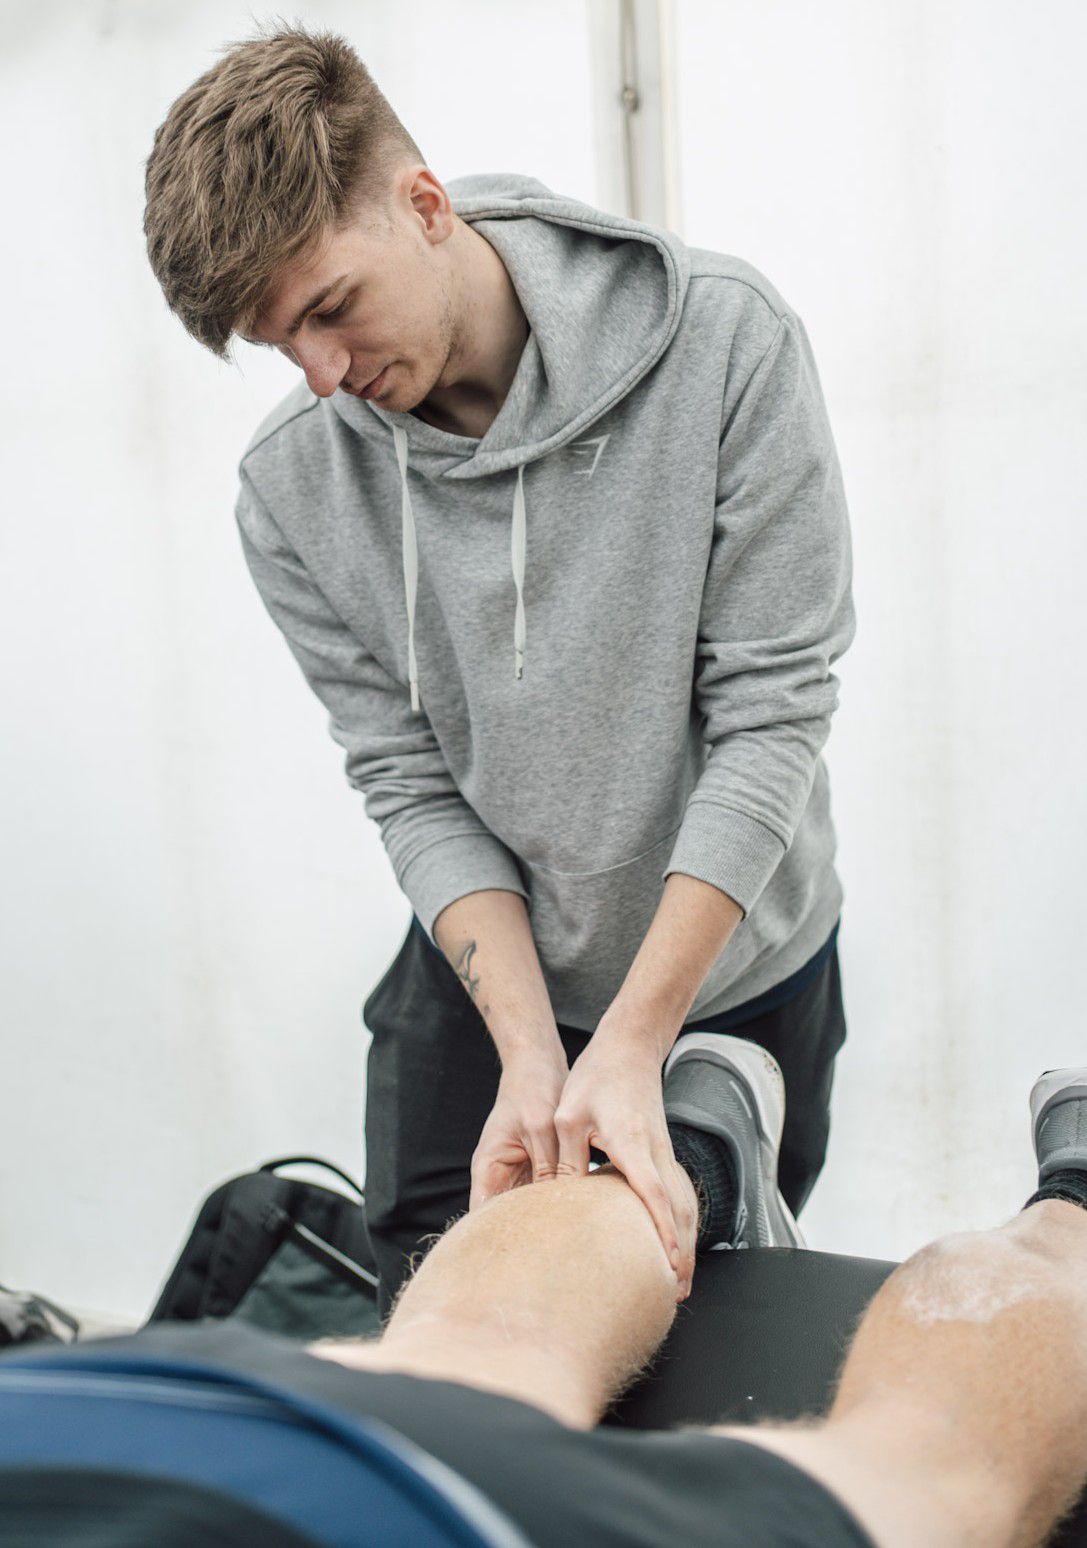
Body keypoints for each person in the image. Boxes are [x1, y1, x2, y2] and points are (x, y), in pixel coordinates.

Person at [142, 24, 856, 1314]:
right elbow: (408, 782)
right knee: (438, 1316)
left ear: (425, 206)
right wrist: (530, 1053)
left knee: (705, 1329)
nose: (321, 378)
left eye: (327, 311)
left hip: (739, 969)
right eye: (277, 346)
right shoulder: (291, 491)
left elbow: (771, 716)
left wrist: (636, 1039)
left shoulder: (727, 346)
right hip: (490, 974)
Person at [3, 1046, 1087, 1547]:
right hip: (89, 1423)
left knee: (927, 1470)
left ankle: (689, 1179)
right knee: (463, 1353)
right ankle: (683, 1166)